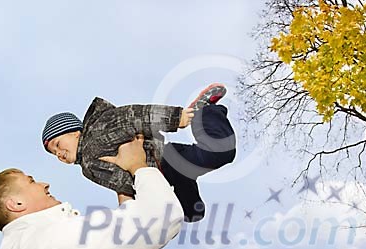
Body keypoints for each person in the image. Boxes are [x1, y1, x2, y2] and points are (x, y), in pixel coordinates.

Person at [0, 137, 184, 249]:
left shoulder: (30, 246)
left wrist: (124, 193)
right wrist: (138, 166)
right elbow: (161, 217)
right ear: (16, 204)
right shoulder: (37, 246)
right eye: (31, 182)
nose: (45, 184)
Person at [41, 83, 236, 222]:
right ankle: (188, 196)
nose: (59, 153)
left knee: (220, 153)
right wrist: (126, 204)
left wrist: (177, 118)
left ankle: (206, 112)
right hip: (157, 178)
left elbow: (134, 116)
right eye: (54, 153)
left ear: (75, 132)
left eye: (58, 144)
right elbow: (118, 179)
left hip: (165, 158)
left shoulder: (99, 129)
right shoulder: (87, 167)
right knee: (192, 214)